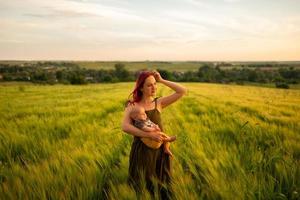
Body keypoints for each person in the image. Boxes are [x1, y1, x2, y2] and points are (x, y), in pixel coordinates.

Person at [122, 70, 187, 199]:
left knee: (163, 186)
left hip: (160, 151)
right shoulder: (132, 105)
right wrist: (149, 135)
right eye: (149, 85)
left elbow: (182, 91)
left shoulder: (159, 103)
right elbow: (125, 126)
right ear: (140, 88)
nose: (154, 87)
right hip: (142, 152)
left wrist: (162, 80)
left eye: (154, 84)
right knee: (141, 186)